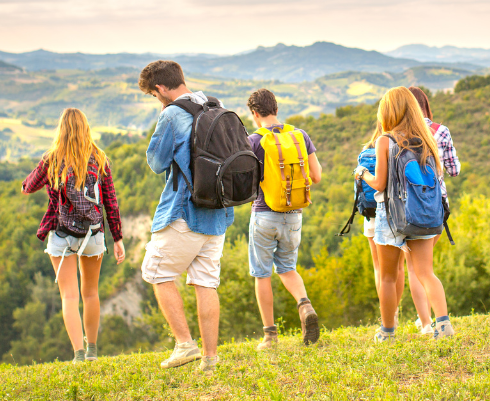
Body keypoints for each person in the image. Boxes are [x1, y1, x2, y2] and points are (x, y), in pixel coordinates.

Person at [138, 60, 234, 373]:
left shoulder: (171, 114)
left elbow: (156, 162)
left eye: (154, 95)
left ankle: (184, 344)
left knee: (156, 274)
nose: (156, 99)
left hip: (184, 212)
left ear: (161, 88)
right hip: (218, 213)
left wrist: (162, 116)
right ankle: (209, 359)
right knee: (206, 283)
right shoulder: (214, 104)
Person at [22, 108, 126, 364]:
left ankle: (78, 354)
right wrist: (118, 238)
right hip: (93, 234)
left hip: (61, 234)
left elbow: (28, 187)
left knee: (69, 295)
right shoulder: (100, 158)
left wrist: (45, 166)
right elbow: (110, 202)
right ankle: (92, 351)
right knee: (91, 293)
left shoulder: (53, 159)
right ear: (86, 129)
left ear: (62, 130)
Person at [354, 87, 454, 342]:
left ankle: (387, 332)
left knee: (388, 276)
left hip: (391, 216)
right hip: (423, 213)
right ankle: (443, 324)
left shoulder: (384, 140)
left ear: (388, 112)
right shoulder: (426, 139)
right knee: (426, 272)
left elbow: (379, 183)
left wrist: (361, 174)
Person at [245, 89, 322, 350]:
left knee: (262, 274)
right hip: (294, 215)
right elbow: (317, 175)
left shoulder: (253, 141)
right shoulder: (300, 136)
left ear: (255, 114)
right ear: (276, 108)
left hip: (264, 213)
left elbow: (246, 183)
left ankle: (269, 336)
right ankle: (305, 305)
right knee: (288, 269)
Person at [405, 86, 460, 334]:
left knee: (415, 268)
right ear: (425, 105)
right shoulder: (441, 131)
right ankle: (436, 320)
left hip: (407, 208)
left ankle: (426, 322)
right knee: (426, 266)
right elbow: (455, 170)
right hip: (437, 206)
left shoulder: (396, 134)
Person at [359, 125, 405, 330]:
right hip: (398, 212)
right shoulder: (401, 145)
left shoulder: (368, 148)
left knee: (380, 268)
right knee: (398, 268)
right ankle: (393, 314)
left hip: (372, 213)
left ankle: (385, 318)